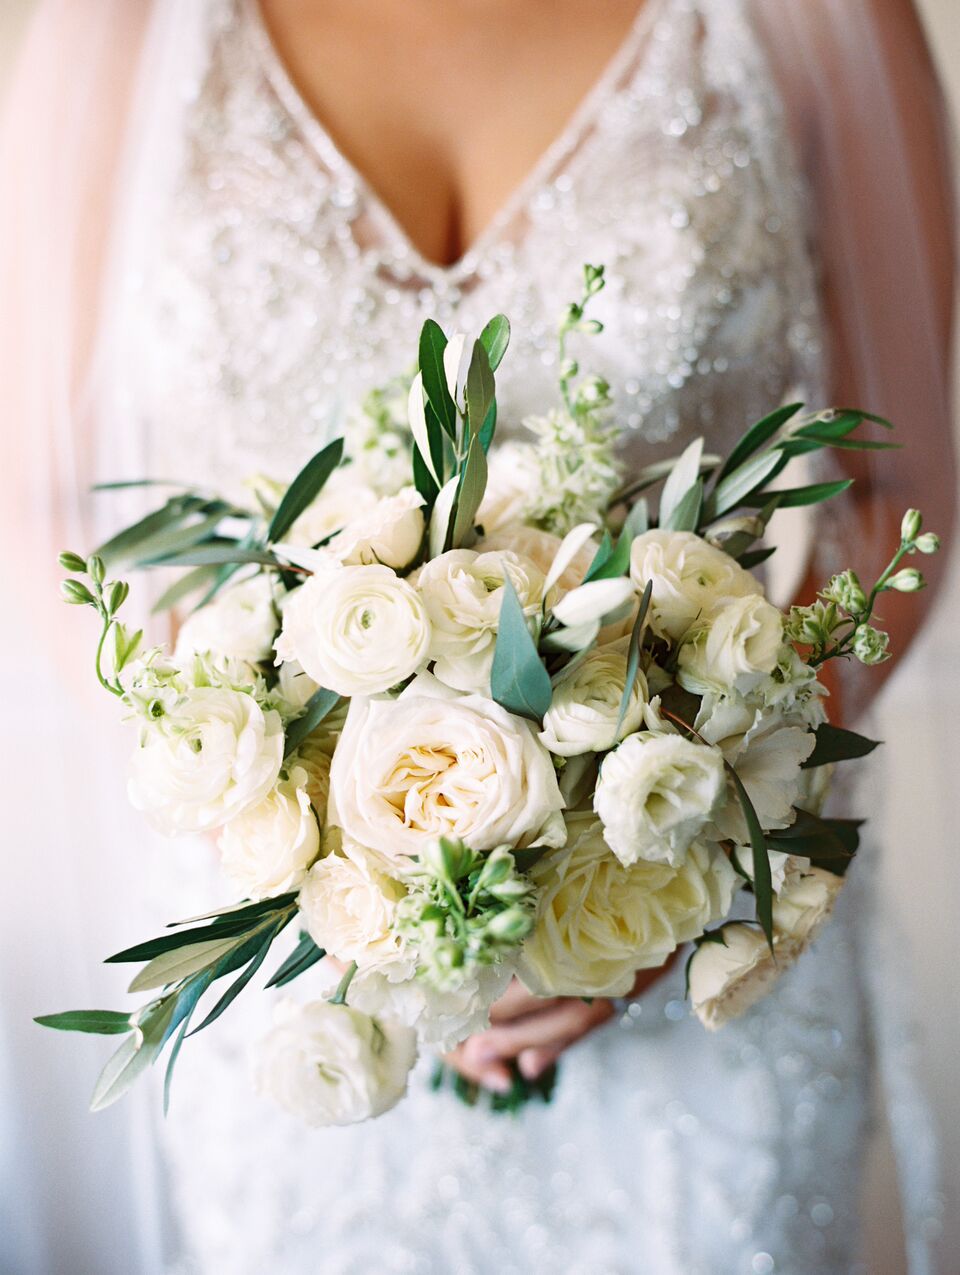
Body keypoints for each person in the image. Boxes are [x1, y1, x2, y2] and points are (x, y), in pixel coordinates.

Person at [0, 1, 954, 1271]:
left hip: (704, 947)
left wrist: (685, 845)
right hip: (297, 994)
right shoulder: (117, 27)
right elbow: (55, 510)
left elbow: (898, 490)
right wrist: (321, 869)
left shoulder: (812, 17)